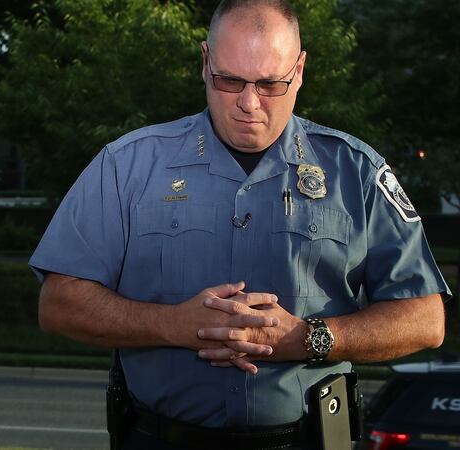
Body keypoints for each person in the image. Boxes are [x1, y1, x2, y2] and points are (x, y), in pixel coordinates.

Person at [29, 0, 449, 448]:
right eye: (229, 80)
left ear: (300, 69)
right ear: (205, 62)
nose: (249, 103)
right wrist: (171, 325)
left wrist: (311, 338)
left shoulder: (356, 172)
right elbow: (59, 303)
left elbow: (425, 319)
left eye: (270, 84)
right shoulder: (127, 165)